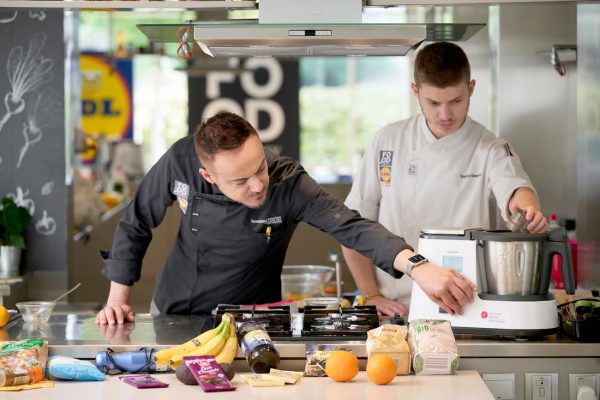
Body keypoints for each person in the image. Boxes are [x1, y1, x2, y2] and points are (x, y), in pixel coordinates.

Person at [96, 111, 477, 325]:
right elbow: (136, 221)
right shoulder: (180, 161)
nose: (259, 185)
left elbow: (351, 225)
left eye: (259, 167)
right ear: (207, 175)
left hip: (254, 319)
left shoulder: (288, 182)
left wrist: (418, 266)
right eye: (241, 181)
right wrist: (117, 300)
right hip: (176, 309)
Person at [342, 41, 548, 317]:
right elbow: (352, 227)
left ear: (471, 88)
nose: (445, 114)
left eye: (456, 101)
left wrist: (528, 211)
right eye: (433, 102)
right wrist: (371, 295)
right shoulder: (388, 142)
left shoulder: (489, 148)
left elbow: (515, 191)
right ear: (416, 92)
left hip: (465, 307)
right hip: (396, 309)